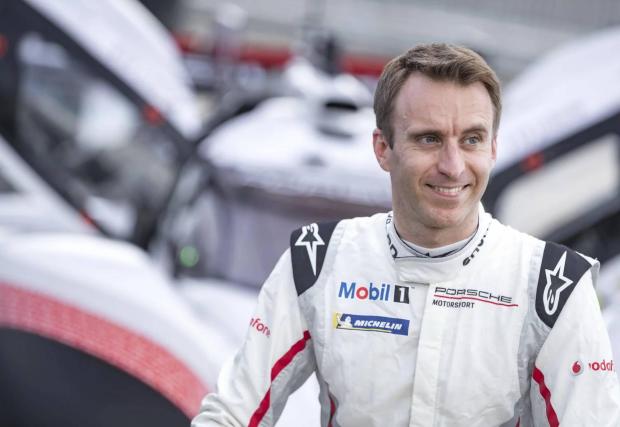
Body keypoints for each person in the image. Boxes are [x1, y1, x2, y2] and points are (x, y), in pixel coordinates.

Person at [192, 43, 620, 426]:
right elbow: (229, 414)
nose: (453, 166)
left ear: (493, 148)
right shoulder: (318, 260)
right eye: (429, 139)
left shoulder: (553, 284)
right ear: (383, 149)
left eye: (471, 140)